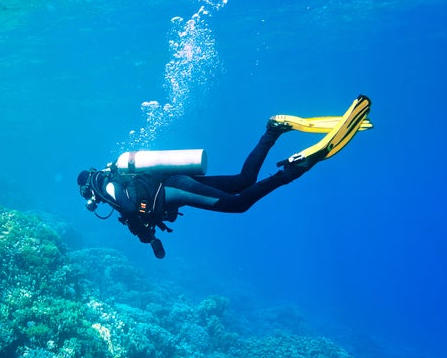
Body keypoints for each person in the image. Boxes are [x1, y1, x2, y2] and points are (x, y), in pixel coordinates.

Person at [77, 95, 372, 258]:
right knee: (242, 180)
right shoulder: (112, 176)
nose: (91, 202)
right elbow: (135, 211)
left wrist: (137, 226)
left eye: (86, 197)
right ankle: (272, 130)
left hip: (171, 189)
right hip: (171, 184)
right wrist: (150, 239)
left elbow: (129, 208)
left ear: (87, 188)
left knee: (238, 203)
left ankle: (293, 169)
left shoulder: (104, 185)